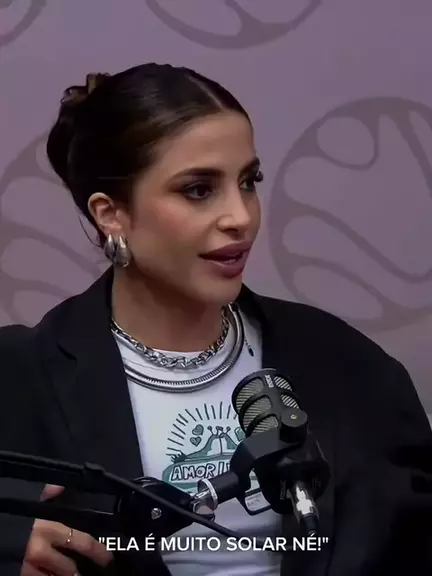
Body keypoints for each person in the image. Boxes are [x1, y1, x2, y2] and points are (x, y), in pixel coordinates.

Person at [0, 63, 430, 576]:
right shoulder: (20, 375)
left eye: (248, 182)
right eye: (199, 190)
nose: (241, 217)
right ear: (111, 214)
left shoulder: (342, 361)